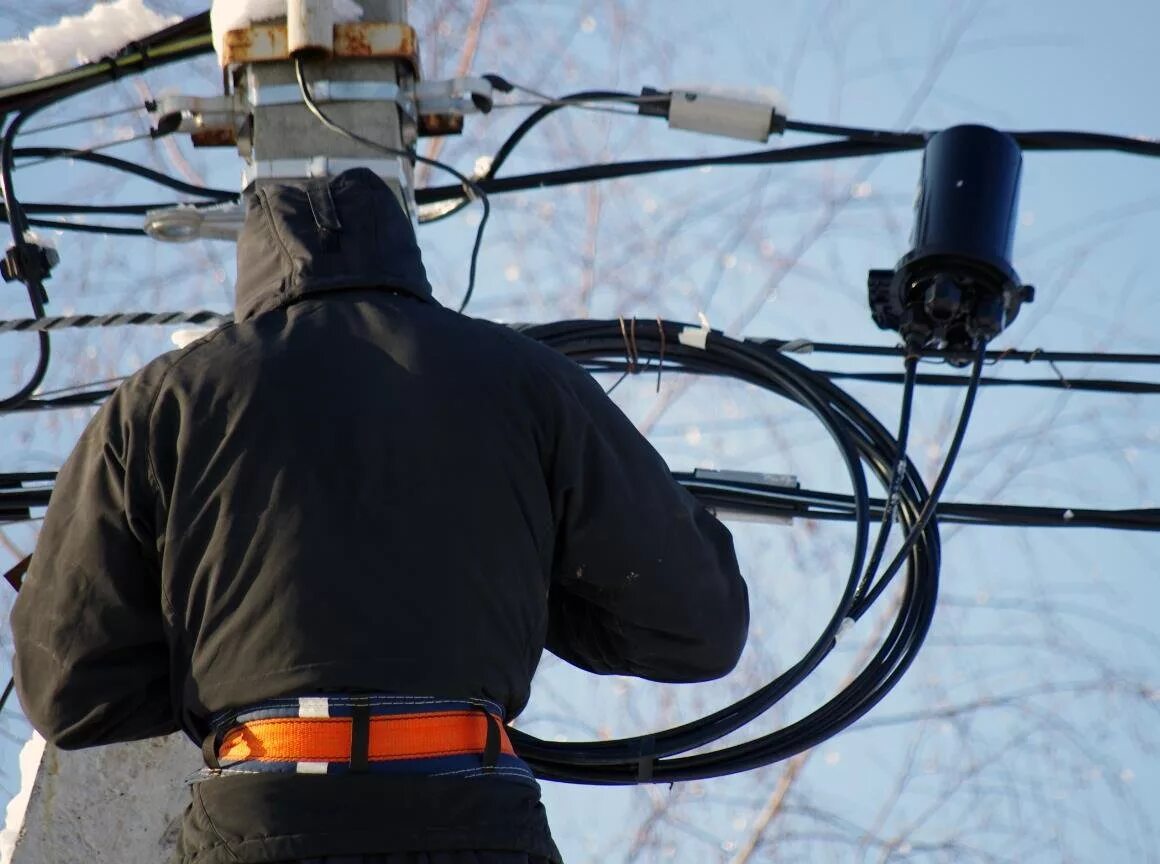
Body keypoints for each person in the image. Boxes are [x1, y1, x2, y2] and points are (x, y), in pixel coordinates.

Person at [10, 168, 749, 864]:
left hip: (262, 818)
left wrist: (209, 657)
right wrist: (520, 583)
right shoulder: (528, 379)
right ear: (406, 254)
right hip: (473, 814)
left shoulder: (166, 398)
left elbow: (69, 685)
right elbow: (697, 622)